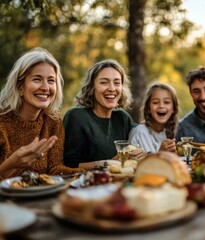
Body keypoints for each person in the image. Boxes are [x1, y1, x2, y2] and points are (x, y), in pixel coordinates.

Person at [0, 47, 84, 180]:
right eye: (37, 79)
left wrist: (96, 172)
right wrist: (11, 164)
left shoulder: (53, 123)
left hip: (41, 198)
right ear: (20, 87)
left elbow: (55, 169)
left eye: (51, 80)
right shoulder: (2, 123)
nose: (45, 87)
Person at [63, 59, 144, 170]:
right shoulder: (76, 117)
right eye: (104, 82)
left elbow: (142, 136)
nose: (112, 89)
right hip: (85, 185)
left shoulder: (123, 118)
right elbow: (67, 165)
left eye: (117, 83)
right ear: (92, 87)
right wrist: (109, 163)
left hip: (120, 183)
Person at [129, 82, 178, 153]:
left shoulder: (167, 132)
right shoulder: (141, 132)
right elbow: (144, 163)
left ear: (173, 108)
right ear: (148, 108)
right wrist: (161, 153)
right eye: (155, 102)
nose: (161, 106)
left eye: (166, 102)